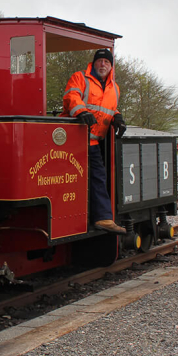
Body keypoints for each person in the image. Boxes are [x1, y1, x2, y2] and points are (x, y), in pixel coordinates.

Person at [62, 48, 128, 234]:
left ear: (111, 66)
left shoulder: (114, 88)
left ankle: (103, 218)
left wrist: (118, 118)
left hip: (92, 142)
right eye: (100, 61)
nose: (103, 64)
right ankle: (72, 217)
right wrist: (81, 112)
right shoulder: (80, 78)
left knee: (98, 178)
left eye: (106, 62)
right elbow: (71, 97)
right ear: (94, 63)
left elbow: (108, 108)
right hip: (72, 139)